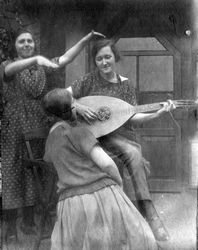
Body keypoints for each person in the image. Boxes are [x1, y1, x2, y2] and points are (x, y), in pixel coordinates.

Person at [0, 28, 104, 240]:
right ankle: (10, 226)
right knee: (12, 170)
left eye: (30, 41)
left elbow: (65, 59)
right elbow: (9, 71)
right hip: (13, 123)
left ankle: (29, 221)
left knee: (34, 170)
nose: (27, 44)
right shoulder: (7, 65)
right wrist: (38, 58)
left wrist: (86, 39)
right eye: (22, 42)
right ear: (15, 46)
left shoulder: (41, 66)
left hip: (37, 121)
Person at [66, 38, 175, 241]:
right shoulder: (87, 81)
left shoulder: (125, 86)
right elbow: (62, 97)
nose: (104, 62)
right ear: (95, 61)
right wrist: (76, 106)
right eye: (99, 59)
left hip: (117, 137)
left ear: (115, 57)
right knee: (132, 154)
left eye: (108, 57)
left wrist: (157, 114)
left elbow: (132, 115)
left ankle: (149, 214)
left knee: (134, 153)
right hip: (89, 137)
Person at [43, 88, 158, 250]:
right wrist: (118, 184)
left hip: (69, 204)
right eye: (75, 102)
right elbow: (107, 164)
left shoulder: (51, 138)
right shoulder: (80, 132)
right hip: (97, 198)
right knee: (137, 236)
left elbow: (52, 162)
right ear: (71, 109)